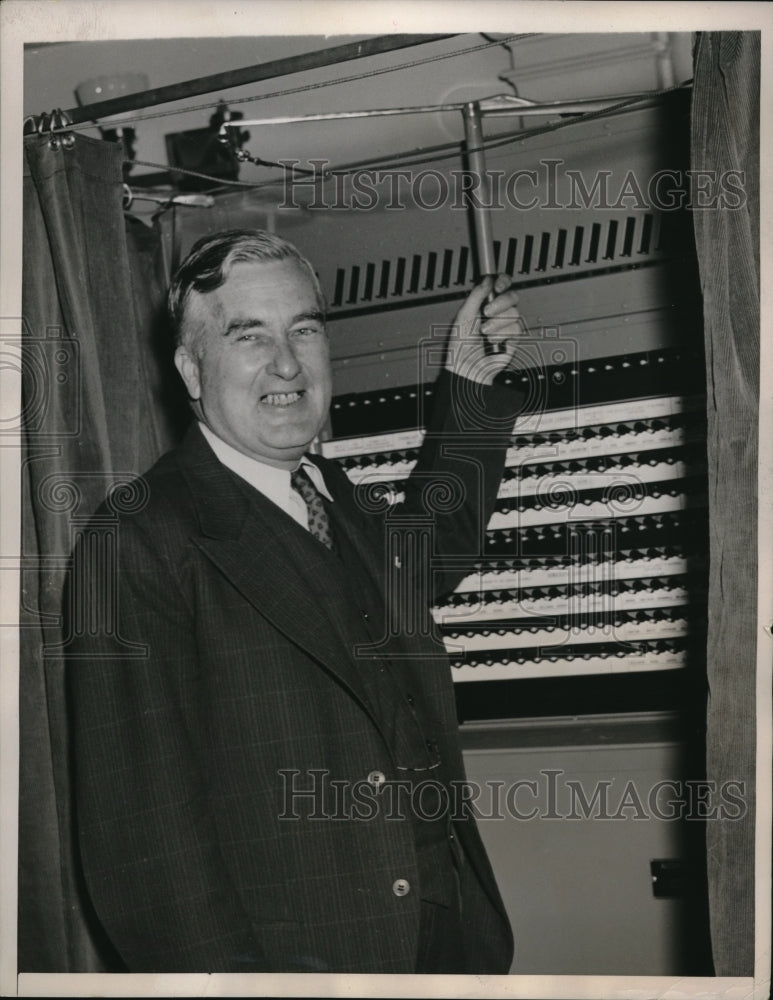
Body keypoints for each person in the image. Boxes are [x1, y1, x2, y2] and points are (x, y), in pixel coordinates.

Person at [67, 229, 526, 974]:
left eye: (303, 330)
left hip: (444, 942)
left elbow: (428, 550)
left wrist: (468, 384)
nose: (286, 362)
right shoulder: (136, 542)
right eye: (249, 336)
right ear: (190, 368)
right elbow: (142, 848)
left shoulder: (330, 494)